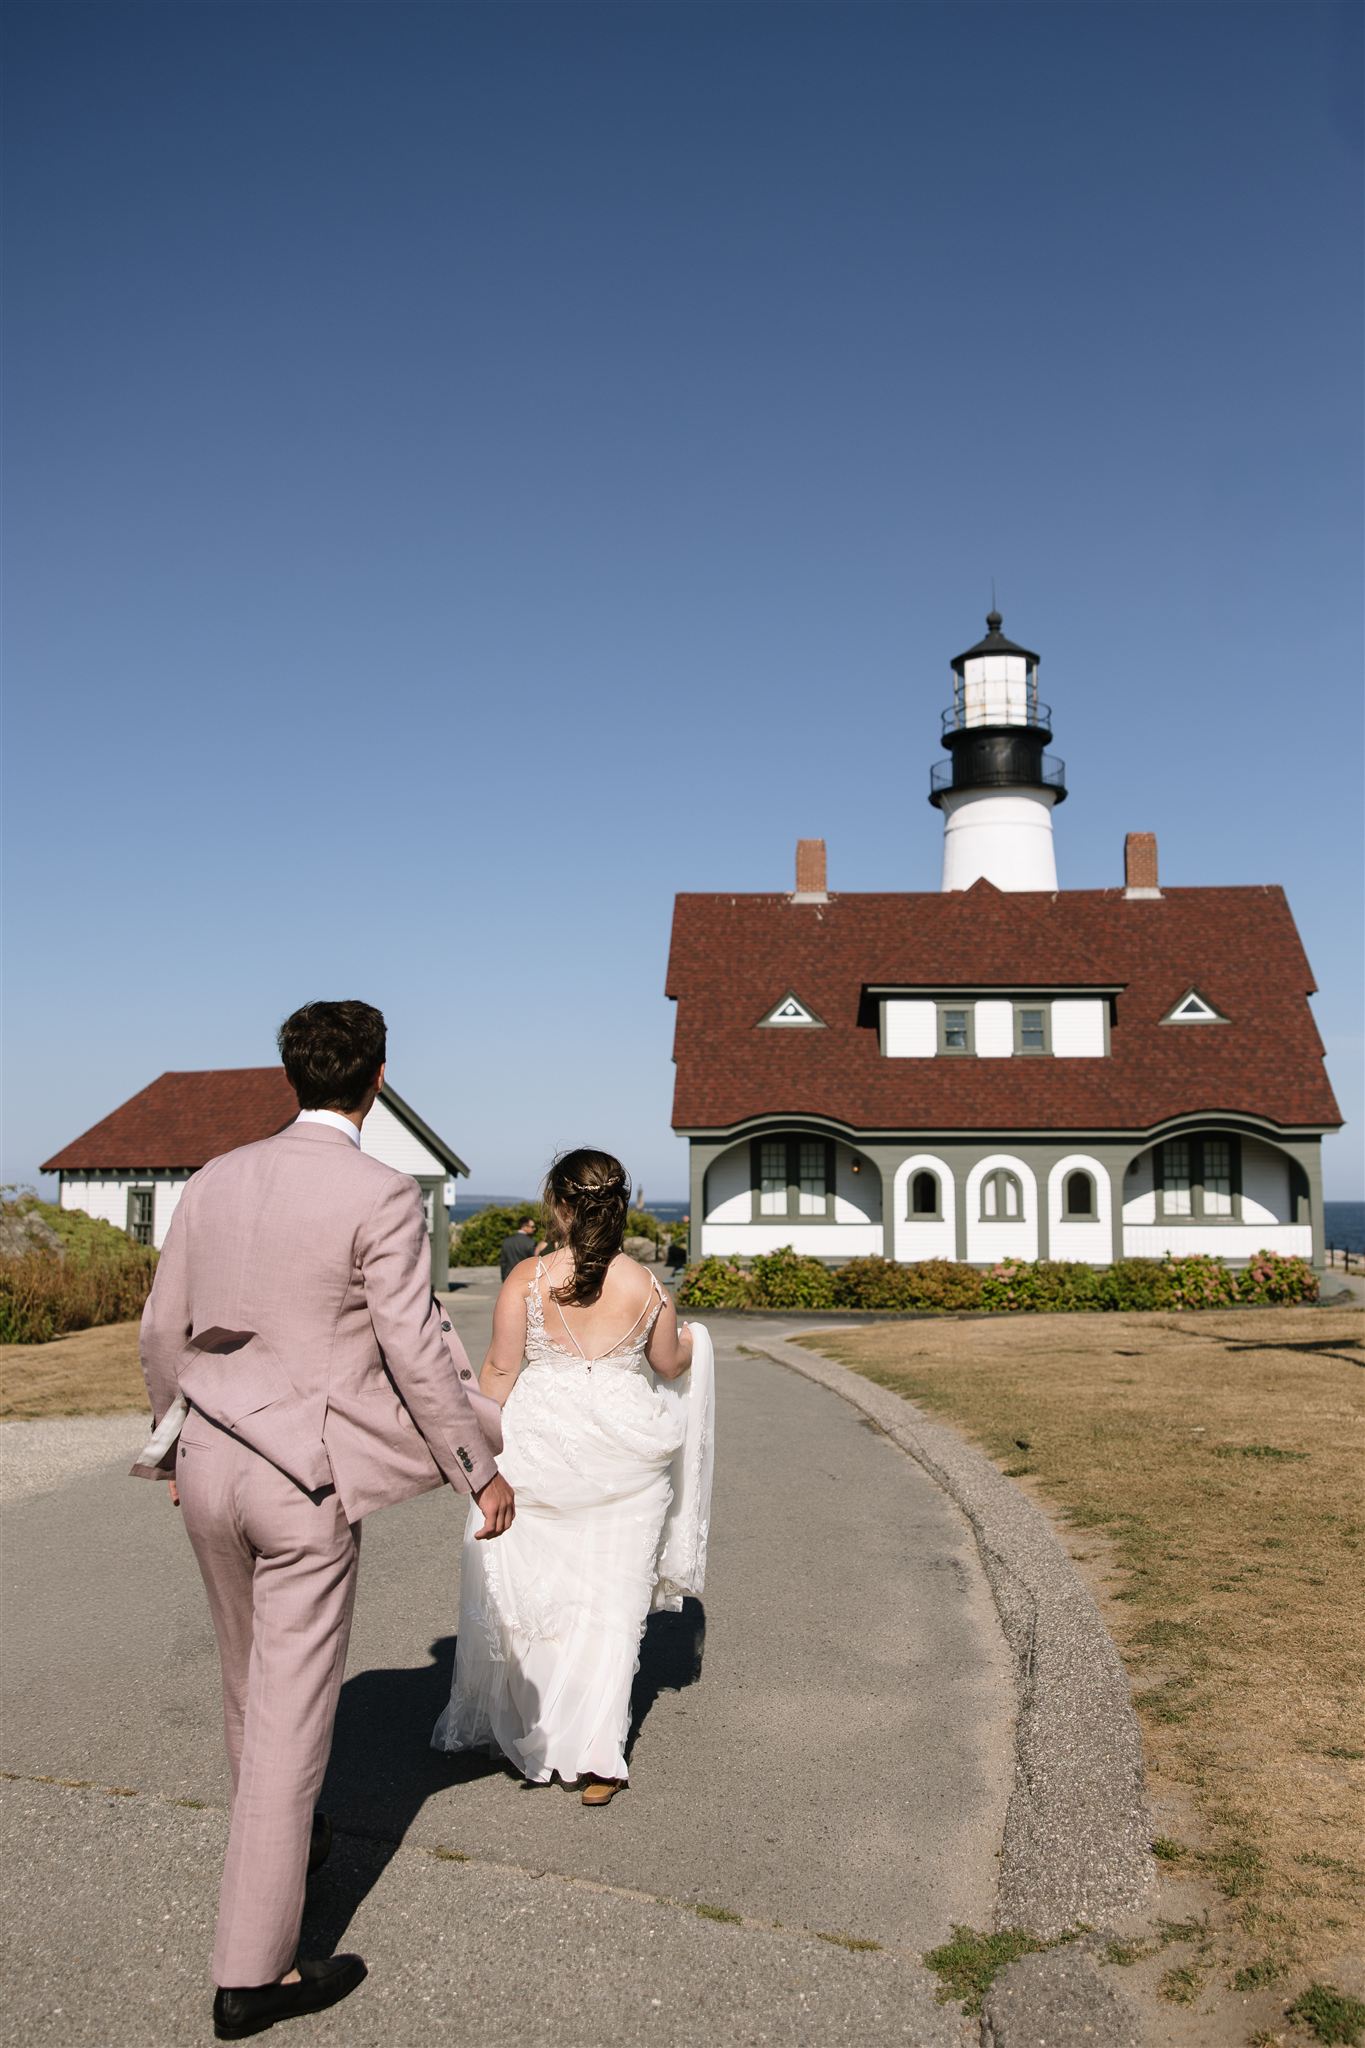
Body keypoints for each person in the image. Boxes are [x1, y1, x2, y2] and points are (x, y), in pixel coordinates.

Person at [136, 1000, 514, 2040]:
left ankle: (282, 1842)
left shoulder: (214, 1178)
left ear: (289, 1072)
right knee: (292, 1717)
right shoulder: (380, 1192)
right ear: (378, 1079)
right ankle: (254, 1973)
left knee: (246, 1680)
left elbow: (161, 1328)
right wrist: (478, 1470)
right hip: (300, 1479)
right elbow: (418, 1355)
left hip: (208, 1460)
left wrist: (172, 1440)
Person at [433, 1147, 713, 1805]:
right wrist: (697, 1339)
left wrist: (475, 1457)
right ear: (617, 1206)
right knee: (611, 1607)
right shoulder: (646, 1286)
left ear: (558, 1206)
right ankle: (597, 1757)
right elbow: (669, 1364)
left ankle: (540, 1728)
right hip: (625, 1451)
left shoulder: (525, 1279)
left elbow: (499, 1371)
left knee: (537, 1594)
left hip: (541, 1444)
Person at [499, 1213, 542, 1282]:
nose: (534, 1229)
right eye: (532, 1227)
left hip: (508, 1277)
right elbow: (534, 1263)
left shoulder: (506, 1241)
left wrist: (503, 1279)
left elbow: (503, 1262)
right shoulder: (531, 1243)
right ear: (524, 1227)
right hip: (524, 1278)